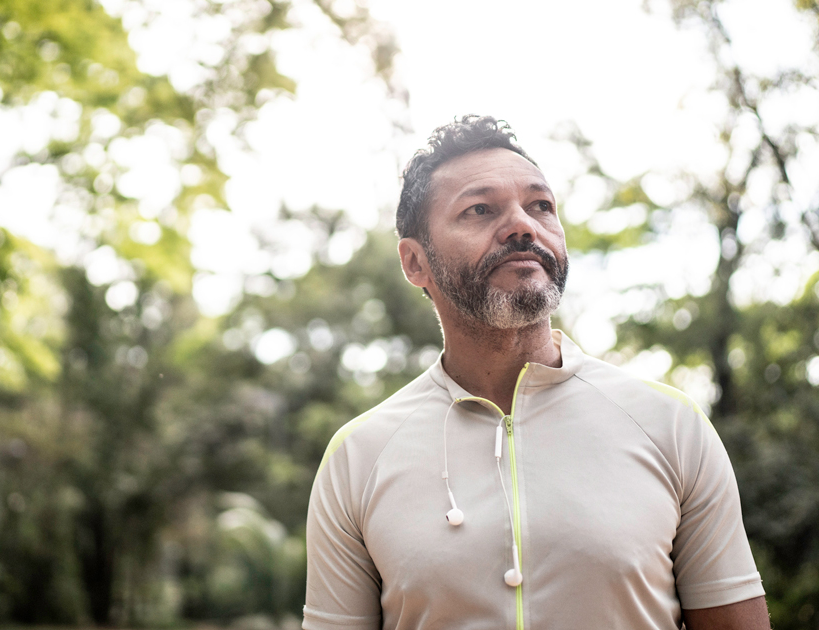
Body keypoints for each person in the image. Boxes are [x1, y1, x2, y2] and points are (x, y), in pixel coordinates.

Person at [302, 116, 769, 630]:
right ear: (416, 264)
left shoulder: (672, 425)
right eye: (480, 209)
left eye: (541, 205)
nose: (523, 225)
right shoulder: (357, 458)